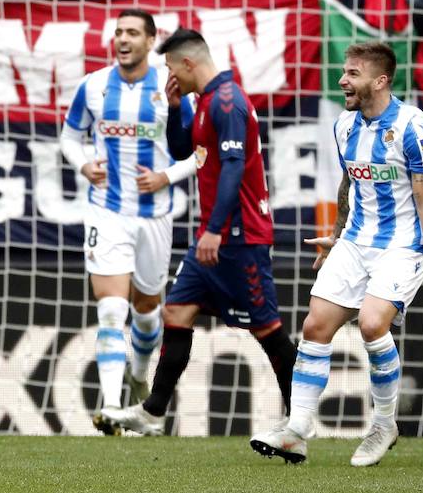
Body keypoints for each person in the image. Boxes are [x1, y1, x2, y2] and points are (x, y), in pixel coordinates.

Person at [251, 41, 423, 467]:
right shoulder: (344, 125)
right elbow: (349, 186)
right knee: (316, 325)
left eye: (353, 73)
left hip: (403, 246)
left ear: (380, 80)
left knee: (372, 323)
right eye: (344, 71)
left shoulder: (415, 128)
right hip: (355, 241)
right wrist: (337, 236)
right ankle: (297, 429)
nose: (343, 80)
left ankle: (384, 424)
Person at [101, 28, 297, 436]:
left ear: (188, 63)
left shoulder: (228, 103)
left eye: (171, 67)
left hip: (239, 238)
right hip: (213, 237)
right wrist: (175, 107)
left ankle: (300, 420)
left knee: (267, 330)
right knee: (176, 312)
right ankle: (153, 411)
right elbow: (181, 151)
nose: (169, 75)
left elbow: (232, 169)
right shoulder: (204, 101)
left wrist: (214, 230)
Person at [59, 10, 196, 430]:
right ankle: (111, 409)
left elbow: (200, 151)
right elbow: (69, 136)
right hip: (106, 209)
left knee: (147, 314)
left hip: (155, 215)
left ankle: (139, 377)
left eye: (132, 33)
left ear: (151, 40)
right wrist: (83, 164)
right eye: (118, 32)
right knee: (111, 311)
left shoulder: (173, 89)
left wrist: (166, 176)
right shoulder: (94, 86)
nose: (122, 39)